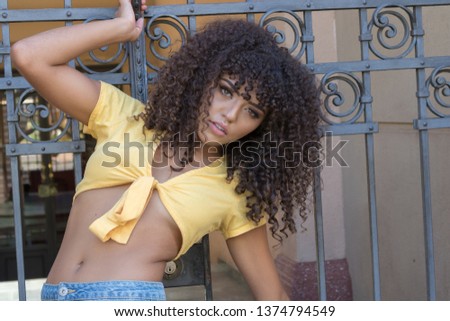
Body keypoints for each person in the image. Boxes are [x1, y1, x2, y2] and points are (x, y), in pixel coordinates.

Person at [11, 0, 321, 301]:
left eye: (252, 111)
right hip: (54, 297)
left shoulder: (235, 193)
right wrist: (120, 28)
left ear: (262, 128)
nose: (230, 114)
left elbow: (272, 296)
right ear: (203, 79)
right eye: (226, 91)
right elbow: (28, 56)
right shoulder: (125, 117)